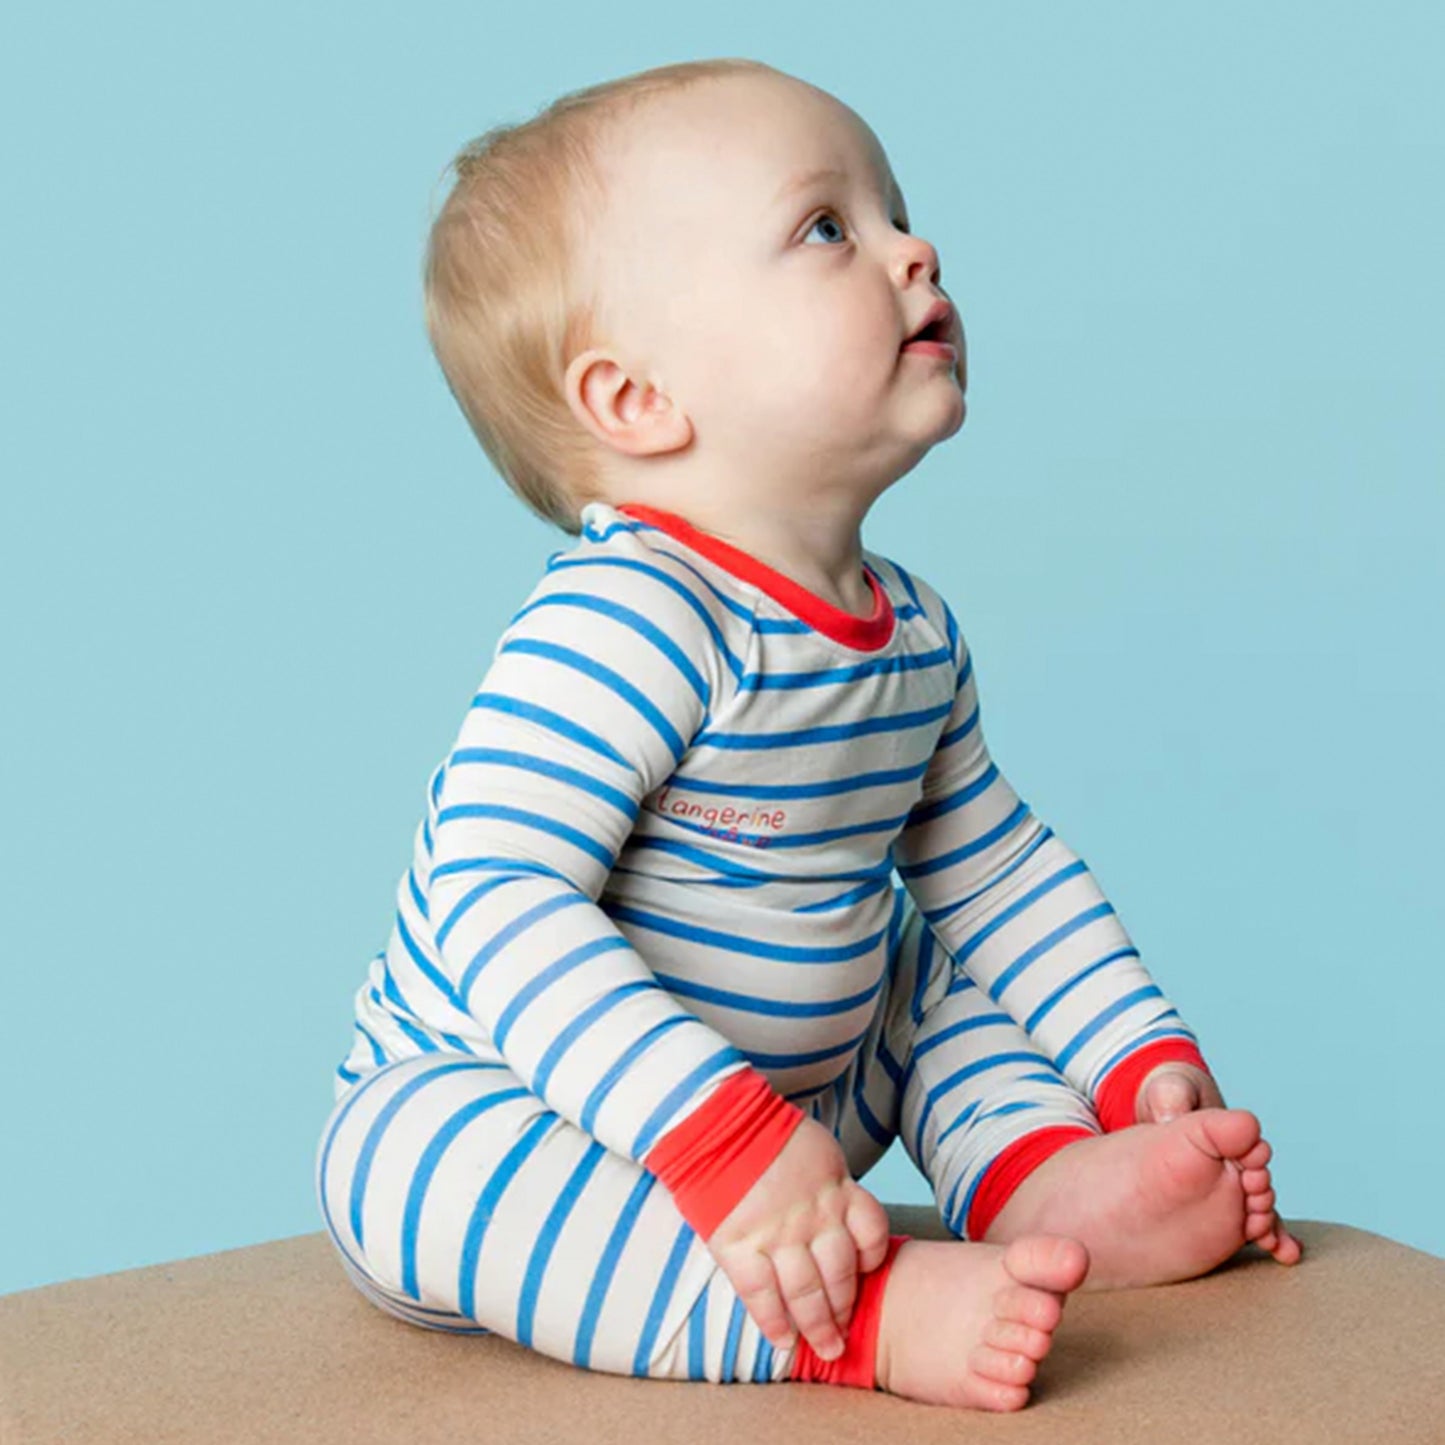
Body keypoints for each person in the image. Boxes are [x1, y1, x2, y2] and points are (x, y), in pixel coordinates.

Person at [313, 56, 1301, 1411]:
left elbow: (998, 875)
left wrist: (1134, 1056)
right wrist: (716, 1140)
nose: (913, 247)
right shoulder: (629, 617)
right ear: (635, 400)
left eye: (895, 210)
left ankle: (1043, 1173)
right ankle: (855, 1321)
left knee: (921, 974)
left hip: (795, 1096)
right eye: (826, 228)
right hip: (529, 1101)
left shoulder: (912, 632)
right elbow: (490, 896)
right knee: (430, 1162)